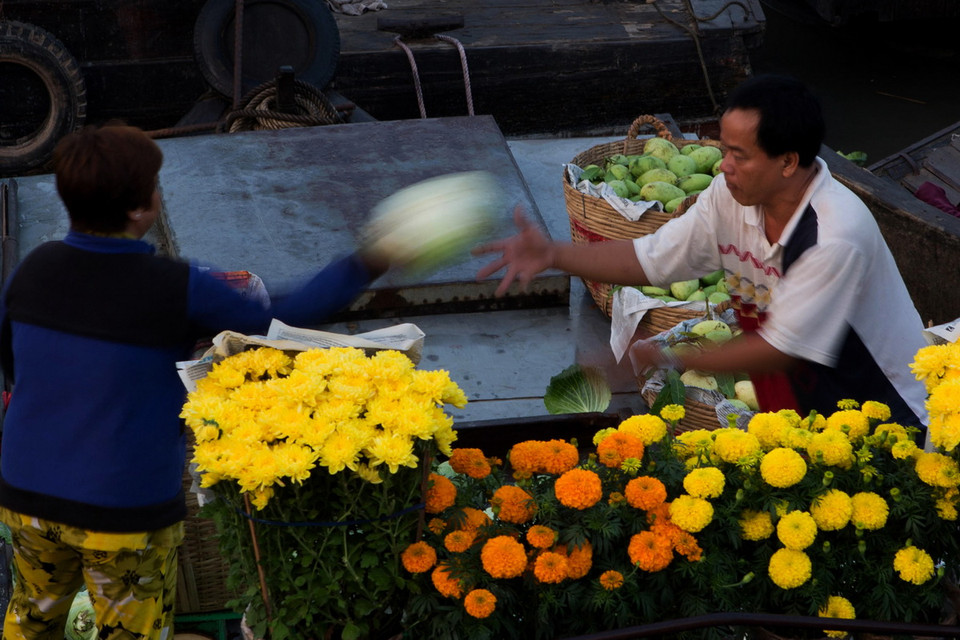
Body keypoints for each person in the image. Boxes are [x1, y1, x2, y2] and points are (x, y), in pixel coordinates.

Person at [0, 124, 390, 639]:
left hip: (25, 498)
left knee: (32, 619)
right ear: (140, 208)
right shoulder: (173, 287)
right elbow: (284, 319)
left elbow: (13, 365)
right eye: (156, 186)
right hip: (122, 510)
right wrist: (371, 259)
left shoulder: (33, 269)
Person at [475, 73, 928, 431]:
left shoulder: (833, 235)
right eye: (724, 150)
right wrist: (554, 254)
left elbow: (778, 351)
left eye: (739, 154)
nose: (724, 165)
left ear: (788, 161)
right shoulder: (728, 197)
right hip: (800, 413)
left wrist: (668, 356)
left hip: (884, 414)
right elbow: (649, 259)